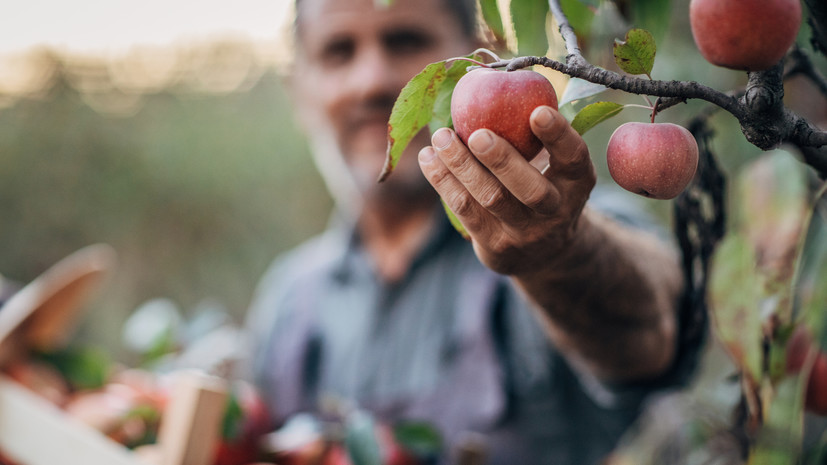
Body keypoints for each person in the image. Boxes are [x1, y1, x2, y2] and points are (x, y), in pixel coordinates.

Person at [244, 0, 694, 463]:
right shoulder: (287, 304)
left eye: (406, 41)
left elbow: (652, 332)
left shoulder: (565, 219)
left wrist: (561, 255)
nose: (372, 80)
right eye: (339, 51)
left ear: (482, 58)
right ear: (298, 90)